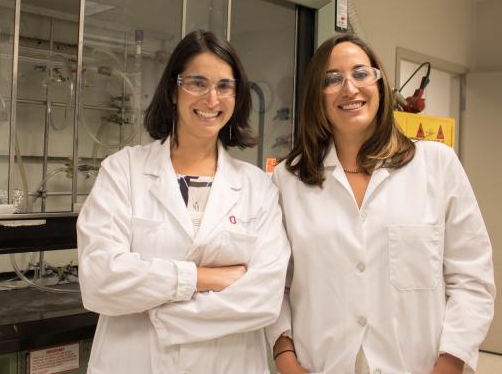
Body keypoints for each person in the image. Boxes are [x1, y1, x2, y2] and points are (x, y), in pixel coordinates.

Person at [267, 33, 495, 374]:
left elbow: (471, 279)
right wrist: (286, 359)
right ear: (317, 94)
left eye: (361, 73)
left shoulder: (437, 165)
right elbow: (273, 284)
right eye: (332, 79)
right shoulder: (288, 180)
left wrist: (449, 364)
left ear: (380, 84)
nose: (349, 88)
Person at [77, 30, 290, 374]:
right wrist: (201, 278)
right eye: (197, 82)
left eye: (224, 86)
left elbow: (263, 298)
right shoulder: (124, 171)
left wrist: (160, 312)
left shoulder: (257, 188)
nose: (211, 98)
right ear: (174, 90)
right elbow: (99, 280)